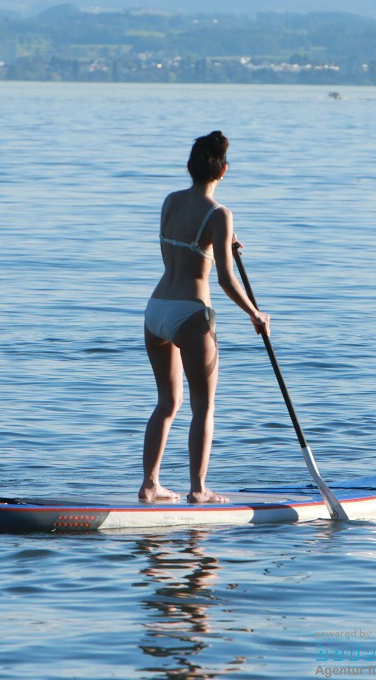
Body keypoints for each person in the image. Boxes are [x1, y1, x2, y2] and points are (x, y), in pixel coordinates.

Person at [140, 131, 270, 503]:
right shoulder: (220, 213)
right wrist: (255, 313)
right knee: (203, 406)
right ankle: (198, 490)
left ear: (189, 167)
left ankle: (150, 484)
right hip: (191, 315)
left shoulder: (170, 201)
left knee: (167, 403)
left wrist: (221, 239)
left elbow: (182, 244)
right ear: (224, 171)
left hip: (156, 310)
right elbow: (227, 280)